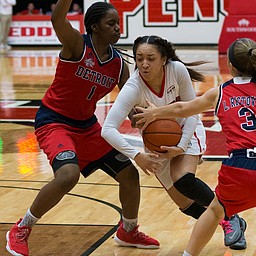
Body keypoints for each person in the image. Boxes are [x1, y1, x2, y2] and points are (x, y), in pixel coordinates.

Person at [134, 34, 256, 256]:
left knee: (214, 212)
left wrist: (155, 112)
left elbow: (183, 109)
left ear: (230, 66)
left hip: (239, 170)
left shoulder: (220, 92)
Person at [5, 1, 160, 256]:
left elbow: (129, 101)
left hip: (87, 127)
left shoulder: (119, 64)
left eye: (118, 23)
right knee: (68, 175)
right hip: (54, 121)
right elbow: (57, 18)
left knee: (129, 175)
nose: (117, 28)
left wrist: (141, 116)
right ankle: (22, 228)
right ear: (94, 27)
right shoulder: (77, 45)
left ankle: (128, 230)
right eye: (111, 24)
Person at [101, 35, 247, 250]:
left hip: (188, 128)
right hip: (158, 142)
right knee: (184, 203)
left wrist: (181, 145)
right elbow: (107, 129)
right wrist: (137, 155)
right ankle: (228, 221)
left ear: (164, 59)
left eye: (150, 58)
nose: (144, 64)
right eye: (139, 58)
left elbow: (192, 112)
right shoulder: (133, 87)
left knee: (183, 179)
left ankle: (230, 216)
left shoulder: (176, 70)